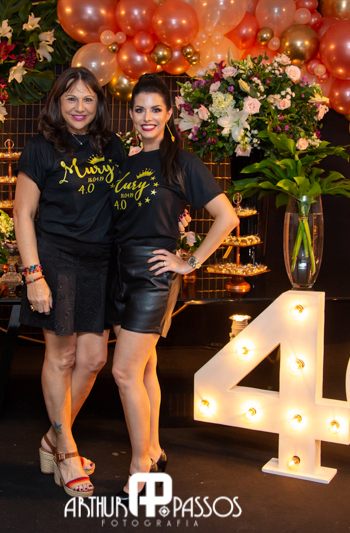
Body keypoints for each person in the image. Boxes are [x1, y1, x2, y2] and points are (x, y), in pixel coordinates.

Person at [106, 74, 239, 496]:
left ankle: (140, 467)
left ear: (168, 114)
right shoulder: (124, 164)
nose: (147, 117)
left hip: (153, 276)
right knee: (145, 367)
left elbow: (227, 217)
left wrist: (190, 261)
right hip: (118, 273)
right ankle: (154, 448)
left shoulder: (183, 162)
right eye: (139, 109)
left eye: (155, 109)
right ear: (131, 114)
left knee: (124, 371)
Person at [13, 67, 124, 498]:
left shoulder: (112, 147)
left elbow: (126, 203)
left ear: (99, 105)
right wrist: (33, 275)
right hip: (57, 259)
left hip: (101, 261)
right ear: (58, 103)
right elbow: (23, 214)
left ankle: (52, 438)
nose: (80, 107)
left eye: (88, 99)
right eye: (71, 98)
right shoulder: (40, 148)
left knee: (93, 360)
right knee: (62, 357)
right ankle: (67, 450)